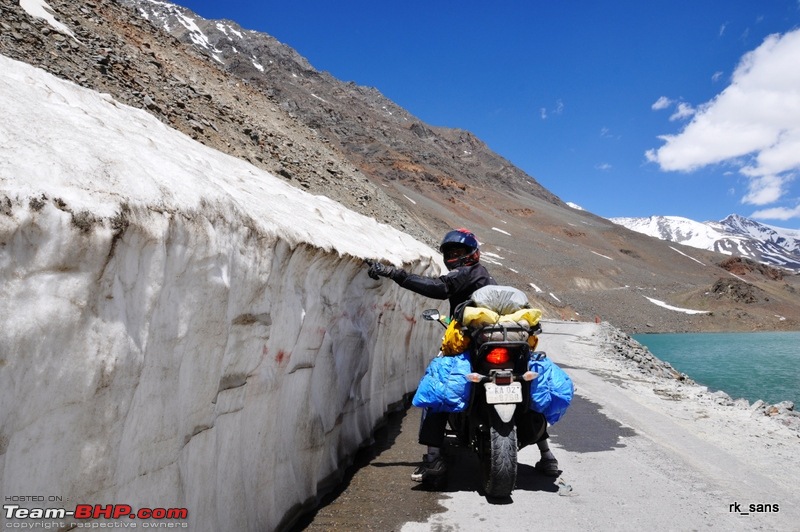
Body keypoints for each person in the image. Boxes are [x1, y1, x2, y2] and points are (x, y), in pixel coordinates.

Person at [367, 228, 560, 483]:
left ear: (472, 254)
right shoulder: (483, 280)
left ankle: (433, 458)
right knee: (527, 388)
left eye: (459, 252)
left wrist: (395, 274)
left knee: (439, 388)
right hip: (502, 347)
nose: (454, 257)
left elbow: (440, 288)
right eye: (451, 252)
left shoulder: (468, 272)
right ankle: (547, 455)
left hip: (475, 346)